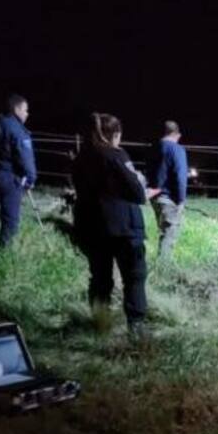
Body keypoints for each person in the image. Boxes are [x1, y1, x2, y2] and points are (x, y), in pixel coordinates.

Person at [70, 113, 159, 335]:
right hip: (123, 226)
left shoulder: (80, 158)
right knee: (134, 276)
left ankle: (101, 325)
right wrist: (143, 188)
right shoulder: (115, 155)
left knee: (100, 278)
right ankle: (136, 328)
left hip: (91, 226)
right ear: (115, 134)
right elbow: (137, 193)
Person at [0, 94, 36, 247]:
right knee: (11, 220)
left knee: (4, 210)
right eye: (25, 110)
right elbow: (25, 157)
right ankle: (2, 252)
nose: (27, 114)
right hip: (8, 177)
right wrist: (31, 178)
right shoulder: (17, 130)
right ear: (17, 109)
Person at [146, 120, 188, 259]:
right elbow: (180, 176)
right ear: (177, 134)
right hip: (169, 197)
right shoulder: (177, 149)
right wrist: (181, 200)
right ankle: (163, 268)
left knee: (163, 230)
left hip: (154, 196)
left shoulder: (153, 148)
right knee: (169, 233)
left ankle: (162, 265)